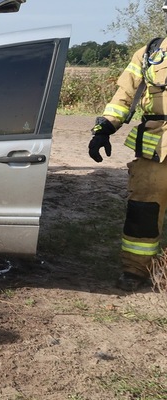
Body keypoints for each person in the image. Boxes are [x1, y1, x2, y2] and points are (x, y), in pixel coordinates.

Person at [88, 1, 167, 291]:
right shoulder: (150, 53)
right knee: (142, 215)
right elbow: (124, 96)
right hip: (153, 152)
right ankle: (136, 272)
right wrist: (104, 129)